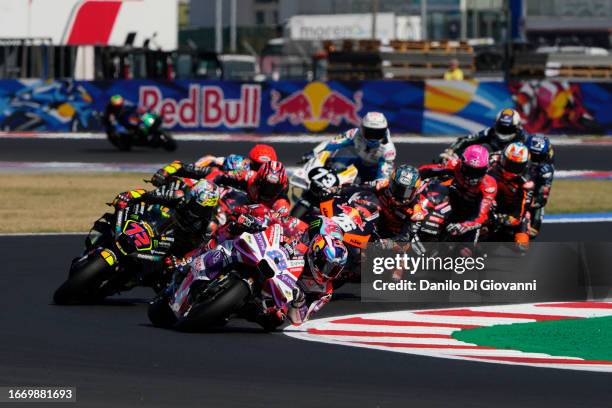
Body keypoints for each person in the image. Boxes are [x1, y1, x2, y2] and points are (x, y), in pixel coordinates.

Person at [109, 179, 221, 256]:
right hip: (150, 228)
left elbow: (202, 249)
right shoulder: (178, 196)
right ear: (191, 196)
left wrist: (182, 259)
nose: (196, 210)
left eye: (202, 208)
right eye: (195, 204)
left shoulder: (209, 224)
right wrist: (129, 196)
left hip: (170, 249)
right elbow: (148, 195)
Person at [420, 145, 497, 241]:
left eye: (478, 171)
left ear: (485, 169)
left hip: (473, 213)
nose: (473, 176)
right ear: (462, 164)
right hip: (454, 202)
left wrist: (464, 226)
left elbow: (481, 215)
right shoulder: (455, 165)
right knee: (437, 187)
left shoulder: (489, 185)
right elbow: (426, 170)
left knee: (465, 252)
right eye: (470, 170)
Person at [301, 112, 396, 184]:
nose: (373, 137)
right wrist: (314, 152)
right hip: (358, 164)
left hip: (374, 171)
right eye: (370, 132)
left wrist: (378, 183)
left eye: (378, 133)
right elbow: (332, 143)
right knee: (335, 165)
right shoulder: (354, 133)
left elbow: (384, 175)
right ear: (362, 129)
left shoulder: (388, 150)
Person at [150, 144, 277, 187]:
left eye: (265, 166)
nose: (262, 169)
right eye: (258, 165)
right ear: (251, 162)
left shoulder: (274, 180)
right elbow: (212, 160)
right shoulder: (240, 164)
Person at [488, 142, 534, 251]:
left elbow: (520, 212)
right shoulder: (492, 160)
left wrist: (506, 218)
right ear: (503, 158)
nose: (511, 168)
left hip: (509, 208)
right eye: (509, 164)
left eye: (516, 166)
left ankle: (518, 234)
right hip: (487, 197)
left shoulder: (526, 183)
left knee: (521, 246)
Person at [440, 108, 528, 161]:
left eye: (508, 129)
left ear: (516, 128)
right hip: (488, 165)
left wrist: (497, 155)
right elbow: (467, 140)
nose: (504, 132)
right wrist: (451, 150)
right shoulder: (490, 132)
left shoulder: (522, 137)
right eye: (501, 127)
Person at [525, 134, 555, 237]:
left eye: (539, 157)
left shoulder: (547, 170)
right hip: (512, 191)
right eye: (533, 156)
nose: (535, 160)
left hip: (533, 198)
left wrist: (532, 204)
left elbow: (543, 197)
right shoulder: (518, 157)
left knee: (533, 232)